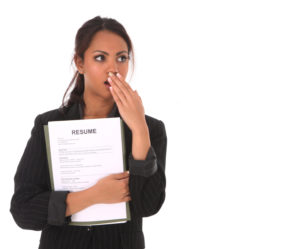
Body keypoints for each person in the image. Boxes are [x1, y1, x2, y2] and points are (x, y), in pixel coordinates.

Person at [10, 16, 167, 249]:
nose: (114, 68)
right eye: (100, 58)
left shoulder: (150, 128)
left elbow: (148, 205)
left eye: (122, 58)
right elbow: (24, 212)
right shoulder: (48, 125)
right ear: (80, 63)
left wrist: (139, 129)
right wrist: (93, 195)